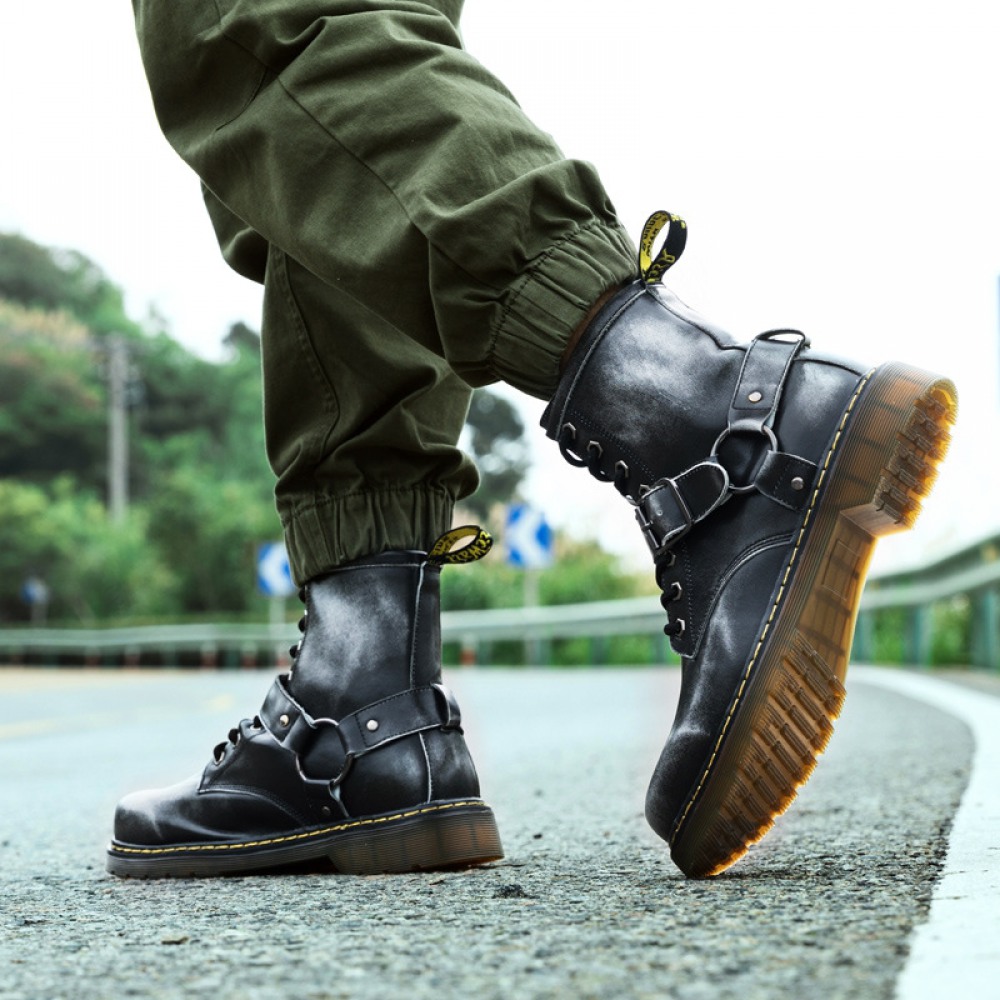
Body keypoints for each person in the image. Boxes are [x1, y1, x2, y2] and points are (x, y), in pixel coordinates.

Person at [108, 0, 957, 880]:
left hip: (725, 428)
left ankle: (713, 419)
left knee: (253, 25)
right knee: (324, 183)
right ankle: (368, 701)